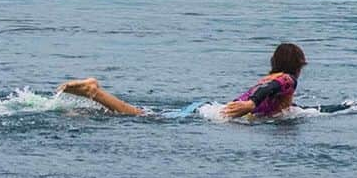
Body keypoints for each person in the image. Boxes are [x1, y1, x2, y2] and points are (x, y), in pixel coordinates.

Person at [59, 42, 308, 120]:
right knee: (140, 117)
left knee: (145, 114)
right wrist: (252, 105)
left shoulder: (272, 75)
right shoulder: (286, 79)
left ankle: (91, 95)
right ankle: (95, 92)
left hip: (210, 108)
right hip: (217, 115)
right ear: (298, 66)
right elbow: (270, 89)